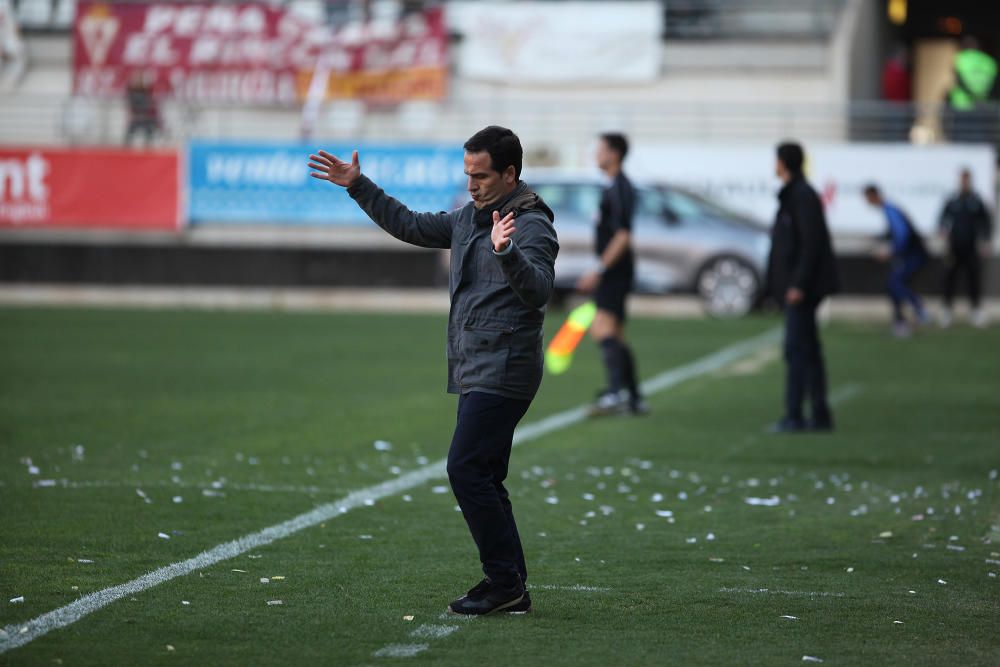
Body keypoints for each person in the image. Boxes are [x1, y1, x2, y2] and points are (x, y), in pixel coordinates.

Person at [308, 126, 559, 615]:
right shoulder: (470, 217)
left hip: (505, 368)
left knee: (465, 468)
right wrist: (359, 185)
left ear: (509, 174)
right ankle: (510, 583)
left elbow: (540, 290)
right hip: (476, 364)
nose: (472, 184)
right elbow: (411, 225)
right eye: (467, 174)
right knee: (484, 474)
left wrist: (506, 253)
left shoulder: (531, 225)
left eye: (481, 176)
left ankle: (504, 583)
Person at [766, 141, 840, 433]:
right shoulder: (794, 195)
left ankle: (795, 414)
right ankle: (819, 414)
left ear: (784, 162)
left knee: (797, 350)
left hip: (803, 290)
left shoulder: (802, 197)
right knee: (806, 350)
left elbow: (811, 244)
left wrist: (798, 284)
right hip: (799, 288)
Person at [576, 133, 646, 416]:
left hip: (615, 271)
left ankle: (617, 394)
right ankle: (633, 396)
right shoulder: (612, 186)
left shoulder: (621, 187)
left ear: (614, 154)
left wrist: (600, 269)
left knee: (602, 327)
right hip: (615, 270)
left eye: (601, 150)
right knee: (615, 332)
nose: (596, 154)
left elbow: (623, 235)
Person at [862, 184, 929, 337]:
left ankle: (918, 309)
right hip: (907, 255)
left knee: (894, 283)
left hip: (913, 255)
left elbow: (902, 235)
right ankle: (900, 322)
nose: (867, 202)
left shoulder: (890, 210)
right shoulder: (888, 209)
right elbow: (892, 232)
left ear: (873, 196)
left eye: (867, 198)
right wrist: (877, 238)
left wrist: (890, 252)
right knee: (892, 284)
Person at [938, 168, 994, 328]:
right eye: (962, 180)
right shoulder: (952, 200)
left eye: (966, 180)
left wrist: (985, 240)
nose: (964, 183)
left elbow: (986, 222)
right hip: (954, 247)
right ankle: (947, 311)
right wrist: (942, 231)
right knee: (950, 279)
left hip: (971, 247)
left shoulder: (976, 201)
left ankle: (975, 311)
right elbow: (942, 219)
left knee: (973, 280)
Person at [944, 37, 997, 143]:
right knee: (980, 138)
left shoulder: (960, 58)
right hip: (983, 105)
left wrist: (971, 95)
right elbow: (993, 86)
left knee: (962, 139)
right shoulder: (989, 62)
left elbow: (959, 81)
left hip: (962, 104)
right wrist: (980, 97)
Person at [124, 72, 160, 147]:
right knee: (128, 135)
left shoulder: (147, 92)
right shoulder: (131, 92)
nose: (139, 82)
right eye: (137, 80)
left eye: (140, 80)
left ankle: (148, 148)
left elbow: (150, 104)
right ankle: (126, 150)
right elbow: (131, 104)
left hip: (146, 117)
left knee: (150, 132)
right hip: (136, 117)